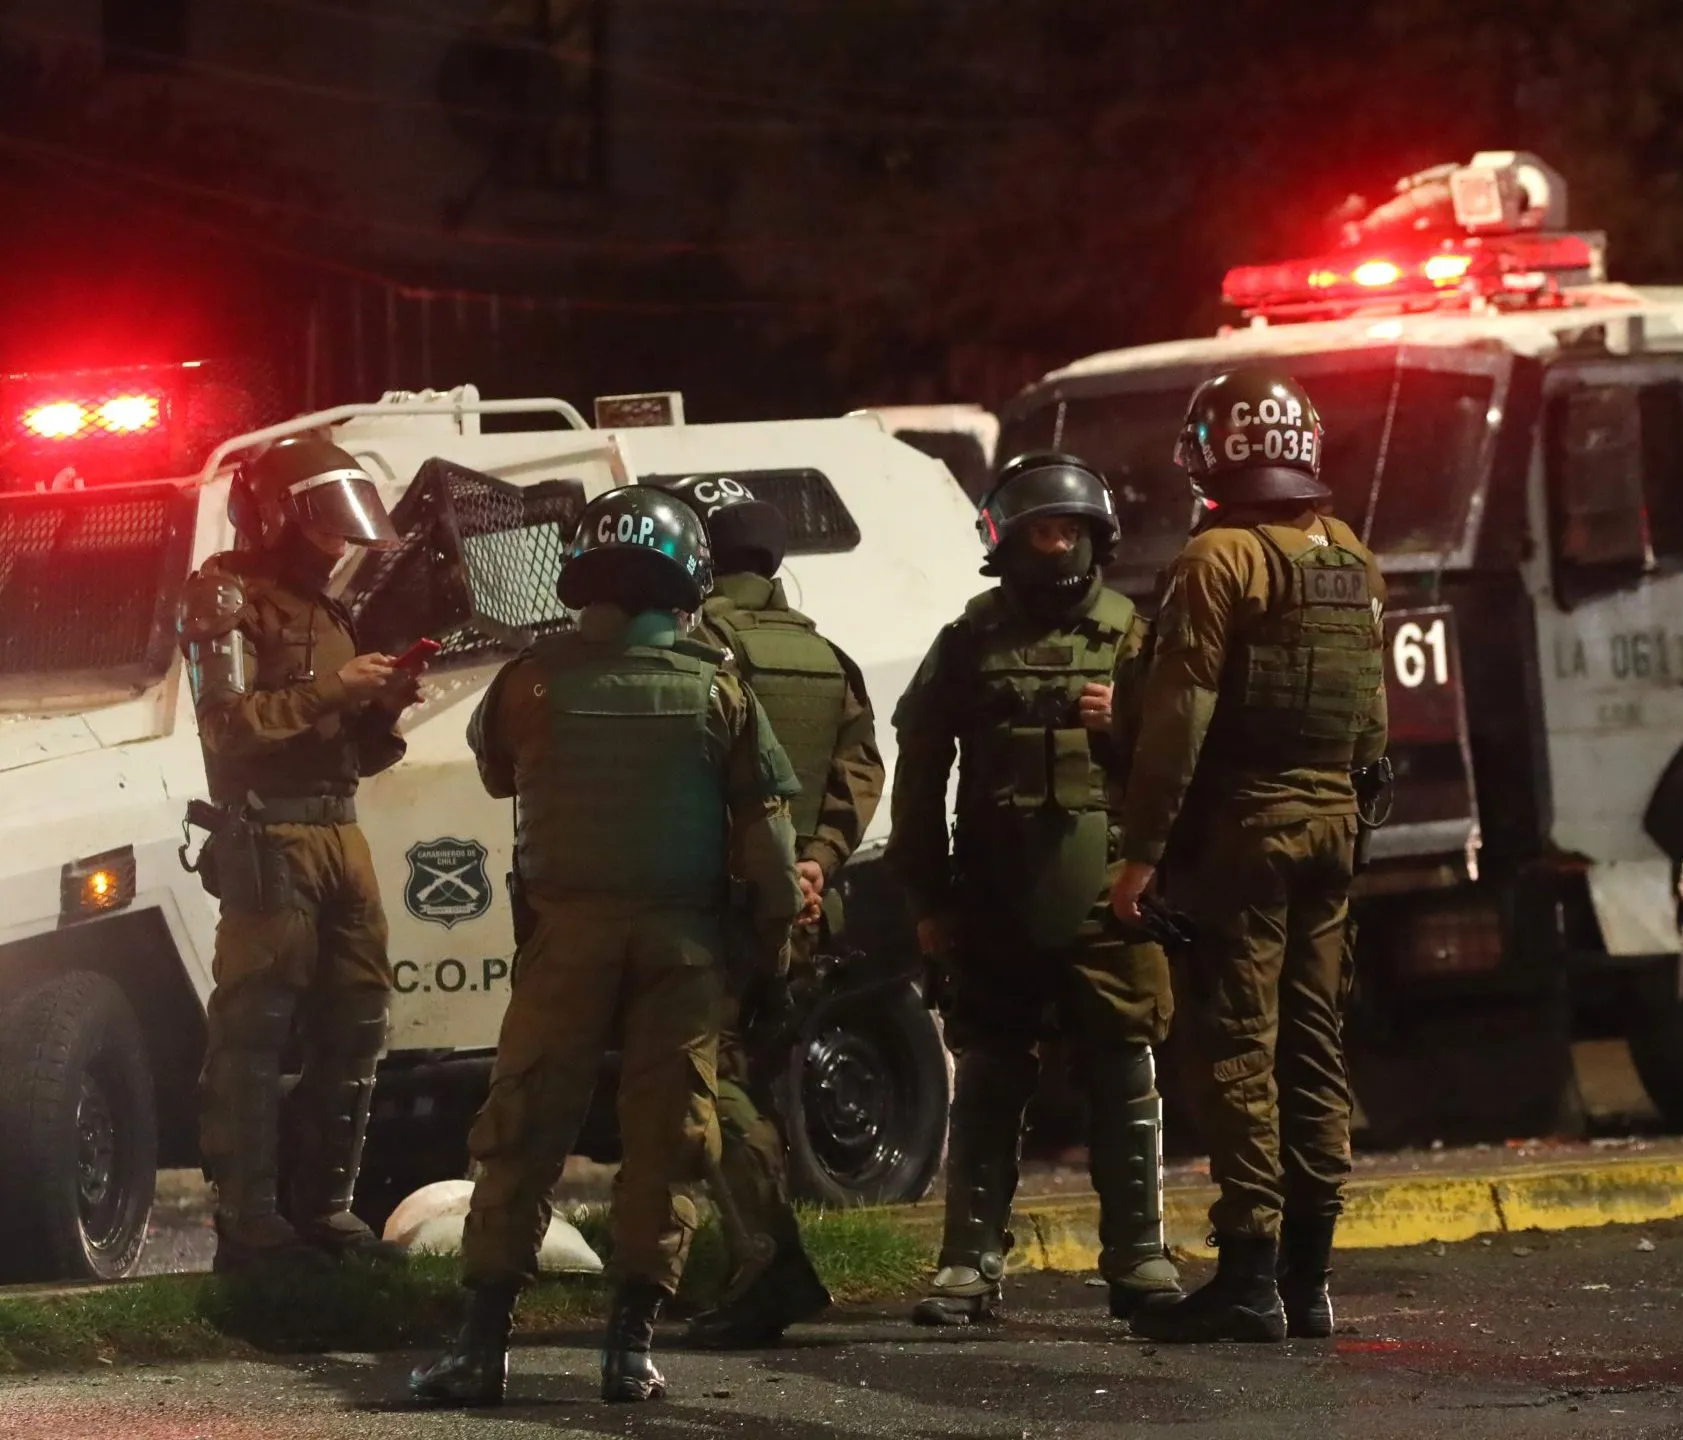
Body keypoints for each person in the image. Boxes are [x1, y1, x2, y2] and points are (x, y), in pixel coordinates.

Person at [411, 486, 803, 1407]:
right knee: (668, 1140)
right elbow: (773, 858)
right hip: (684, 946)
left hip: (565, 938)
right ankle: (628, 1351)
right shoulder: (719, 687)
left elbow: (498, 770)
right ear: (686, 579)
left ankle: (481, 1347)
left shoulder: (530, 681)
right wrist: (774, 958)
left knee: (520, 1133)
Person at [1110, 368, 1388, 1344]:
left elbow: (1180, 715)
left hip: (1247, 833)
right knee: (1315, 1046)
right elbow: (1370, 722)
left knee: (1236, 1050)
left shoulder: (1218, 558)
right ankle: (1309, 1280)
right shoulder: (1348, 555)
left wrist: (1140, 854)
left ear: (1215, 452)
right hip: (1332, 829)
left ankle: (1250, 1277)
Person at [889, 451, 1184, 1326]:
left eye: (1068, 531)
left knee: (1126, 1069)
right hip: (994, 896)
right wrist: (928, 898)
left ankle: (1139, 1258)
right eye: (1038, 532)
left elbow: (1181, 764)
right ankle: (969, 1263)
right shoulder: (971, 638)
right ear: (1008, 544)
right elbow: (918, 771)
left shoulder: (1134, 633)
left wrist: (1122, 720)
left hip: (1111, 897)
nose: (1054, 546)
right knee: (987, 1076)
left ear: (1095, 540)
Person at [648, 474, 885, 1349]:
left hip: (720, 903)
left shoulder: (698, 644)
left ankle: (768, 1262)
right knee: (748, 1073)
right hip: (801, 910)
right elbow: (862, 772)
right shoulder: (820, 651)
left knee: (710, 1079)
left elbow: (697, 775)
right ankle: (736, 1261)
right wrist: (817, 863)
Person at [178, 435, 418, 1272]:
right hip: (270, 834)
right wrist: (336, 690)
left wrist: (379, 708)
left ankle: (327, 1210)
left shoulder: (327, 605)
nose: (338, 541)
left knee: (356, 1026)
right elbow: (227, 726)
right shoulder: (226, 593)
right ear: (278, 511)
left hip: (339, 830)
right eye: (322, 521)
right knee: (255, 1028)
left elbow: (350, 745)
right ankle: (249, 1222)